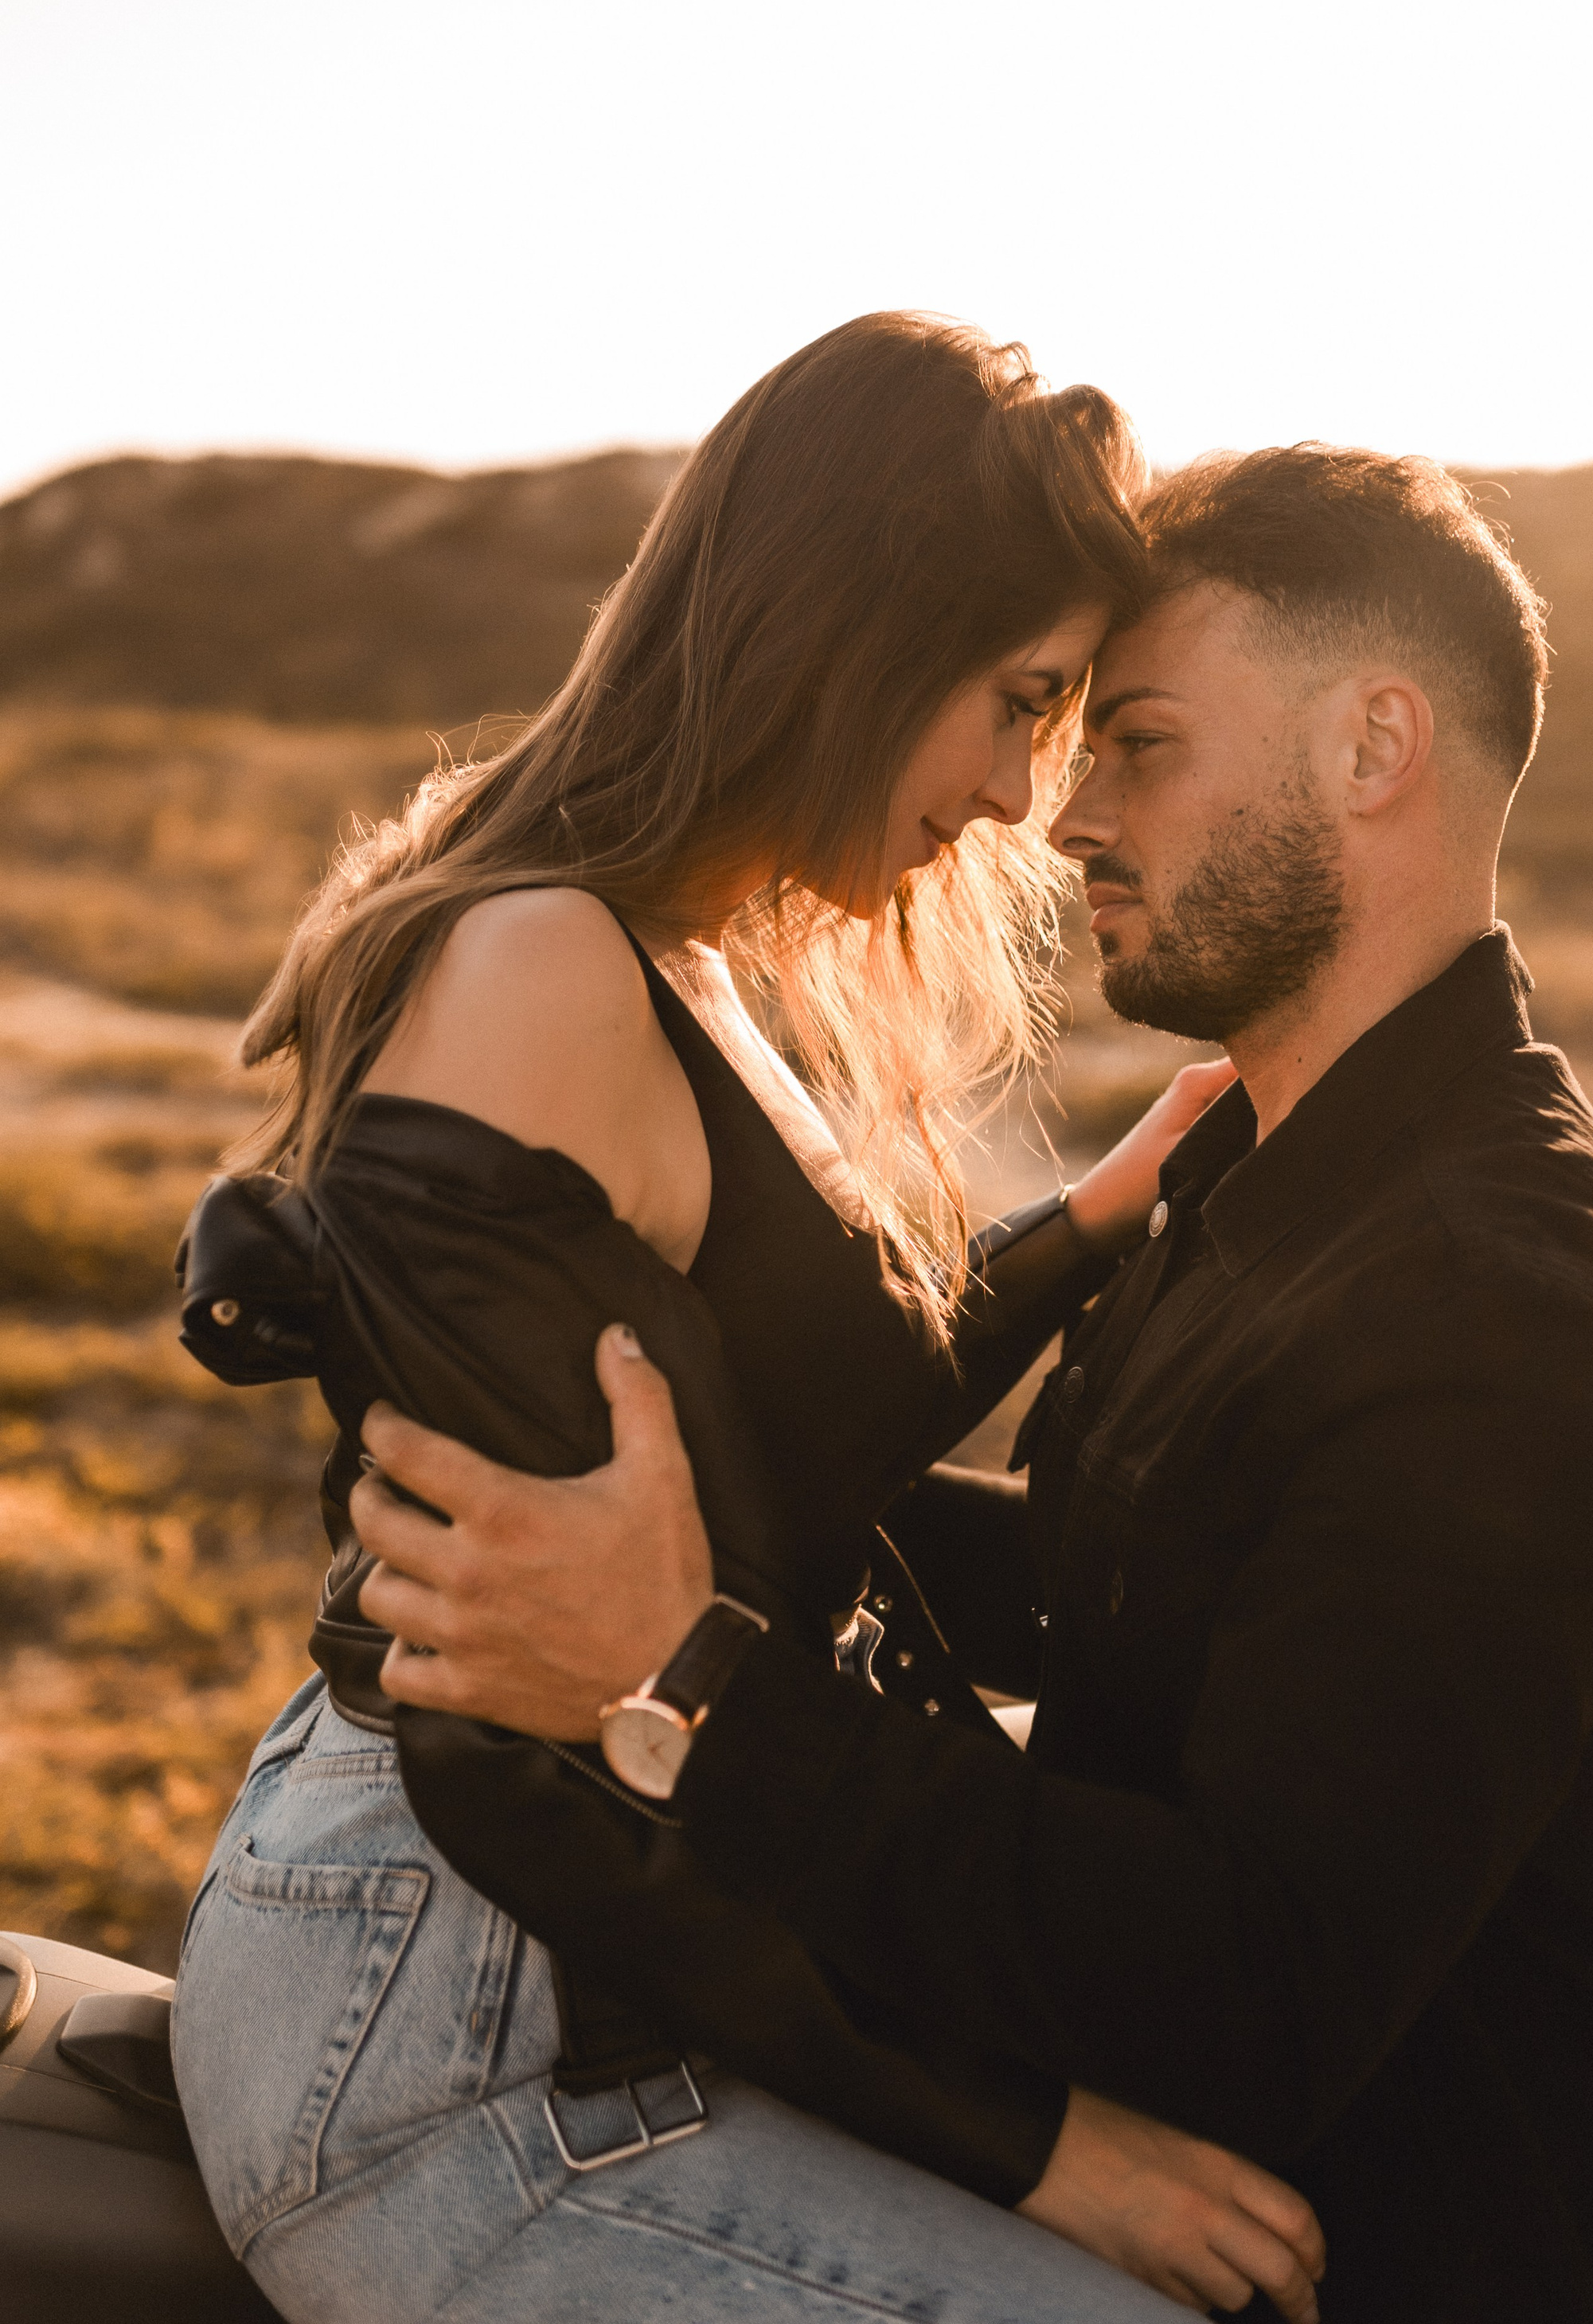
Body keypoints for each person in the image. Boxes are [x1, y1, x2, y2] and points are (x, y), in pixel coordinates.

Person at [356, 447, 1593, 2322]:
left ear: (1372, 747)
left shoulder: (1507, 1323)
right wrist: (622, 1530)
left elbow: (1239, 1996)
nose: (1062, 817)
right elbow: (1152, 1577)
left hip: (1406, 2229)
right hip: (1200, 2113)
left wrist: (690, 1671)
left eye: (1139, 742)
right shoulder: (1273, 1164)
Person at [170, 313, 1331, 2324]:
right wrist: (1039, 2144)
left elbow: (769, 1445)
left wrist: (1090, 1221)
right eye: (1012, 698)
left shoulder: (672, 955)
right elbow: (510, 1728)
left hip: (614, 1944)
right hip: (453, 2029)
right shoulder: (539, 972)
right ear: (847, 633)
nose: (1007, 789)